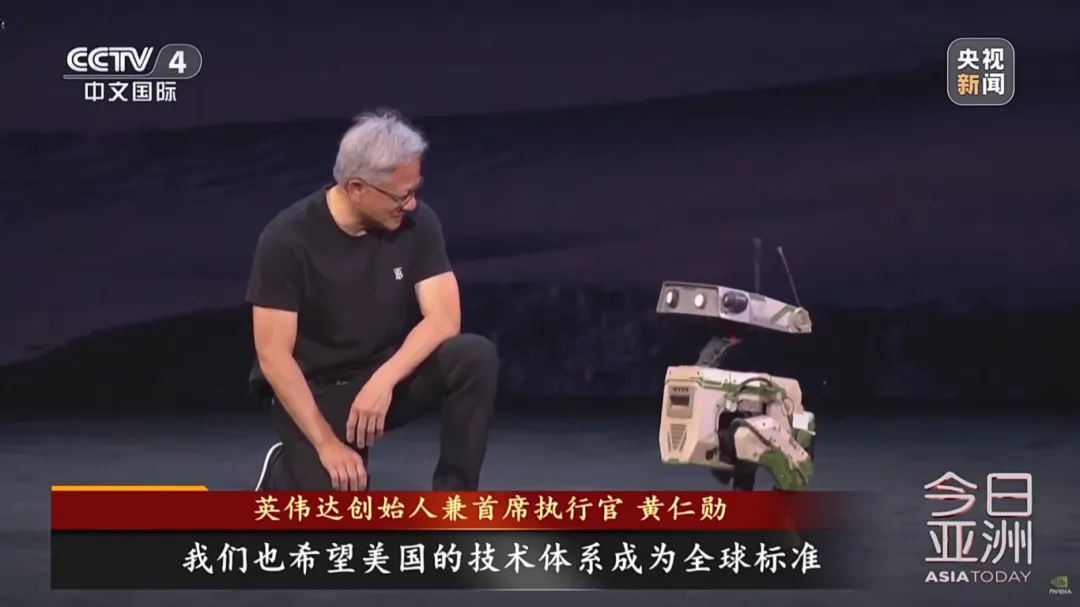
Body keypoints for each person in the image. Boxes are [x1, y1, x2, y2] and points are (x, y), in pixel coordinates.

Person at [246, 110, 499, 491]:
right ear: (356, 188)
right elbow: (273, 356)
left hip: (381, 378)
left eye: (415, 189)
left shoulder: (417, 223)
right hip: (314, 392)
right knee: (337, 500)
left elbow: (445, 318)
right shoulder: (287, 239)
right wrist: (327, 445)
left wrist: (384, 380)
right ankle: (289, 467)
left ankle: (455, 500)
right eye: (401, 195)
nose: (411, 204)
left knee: (473, 356)